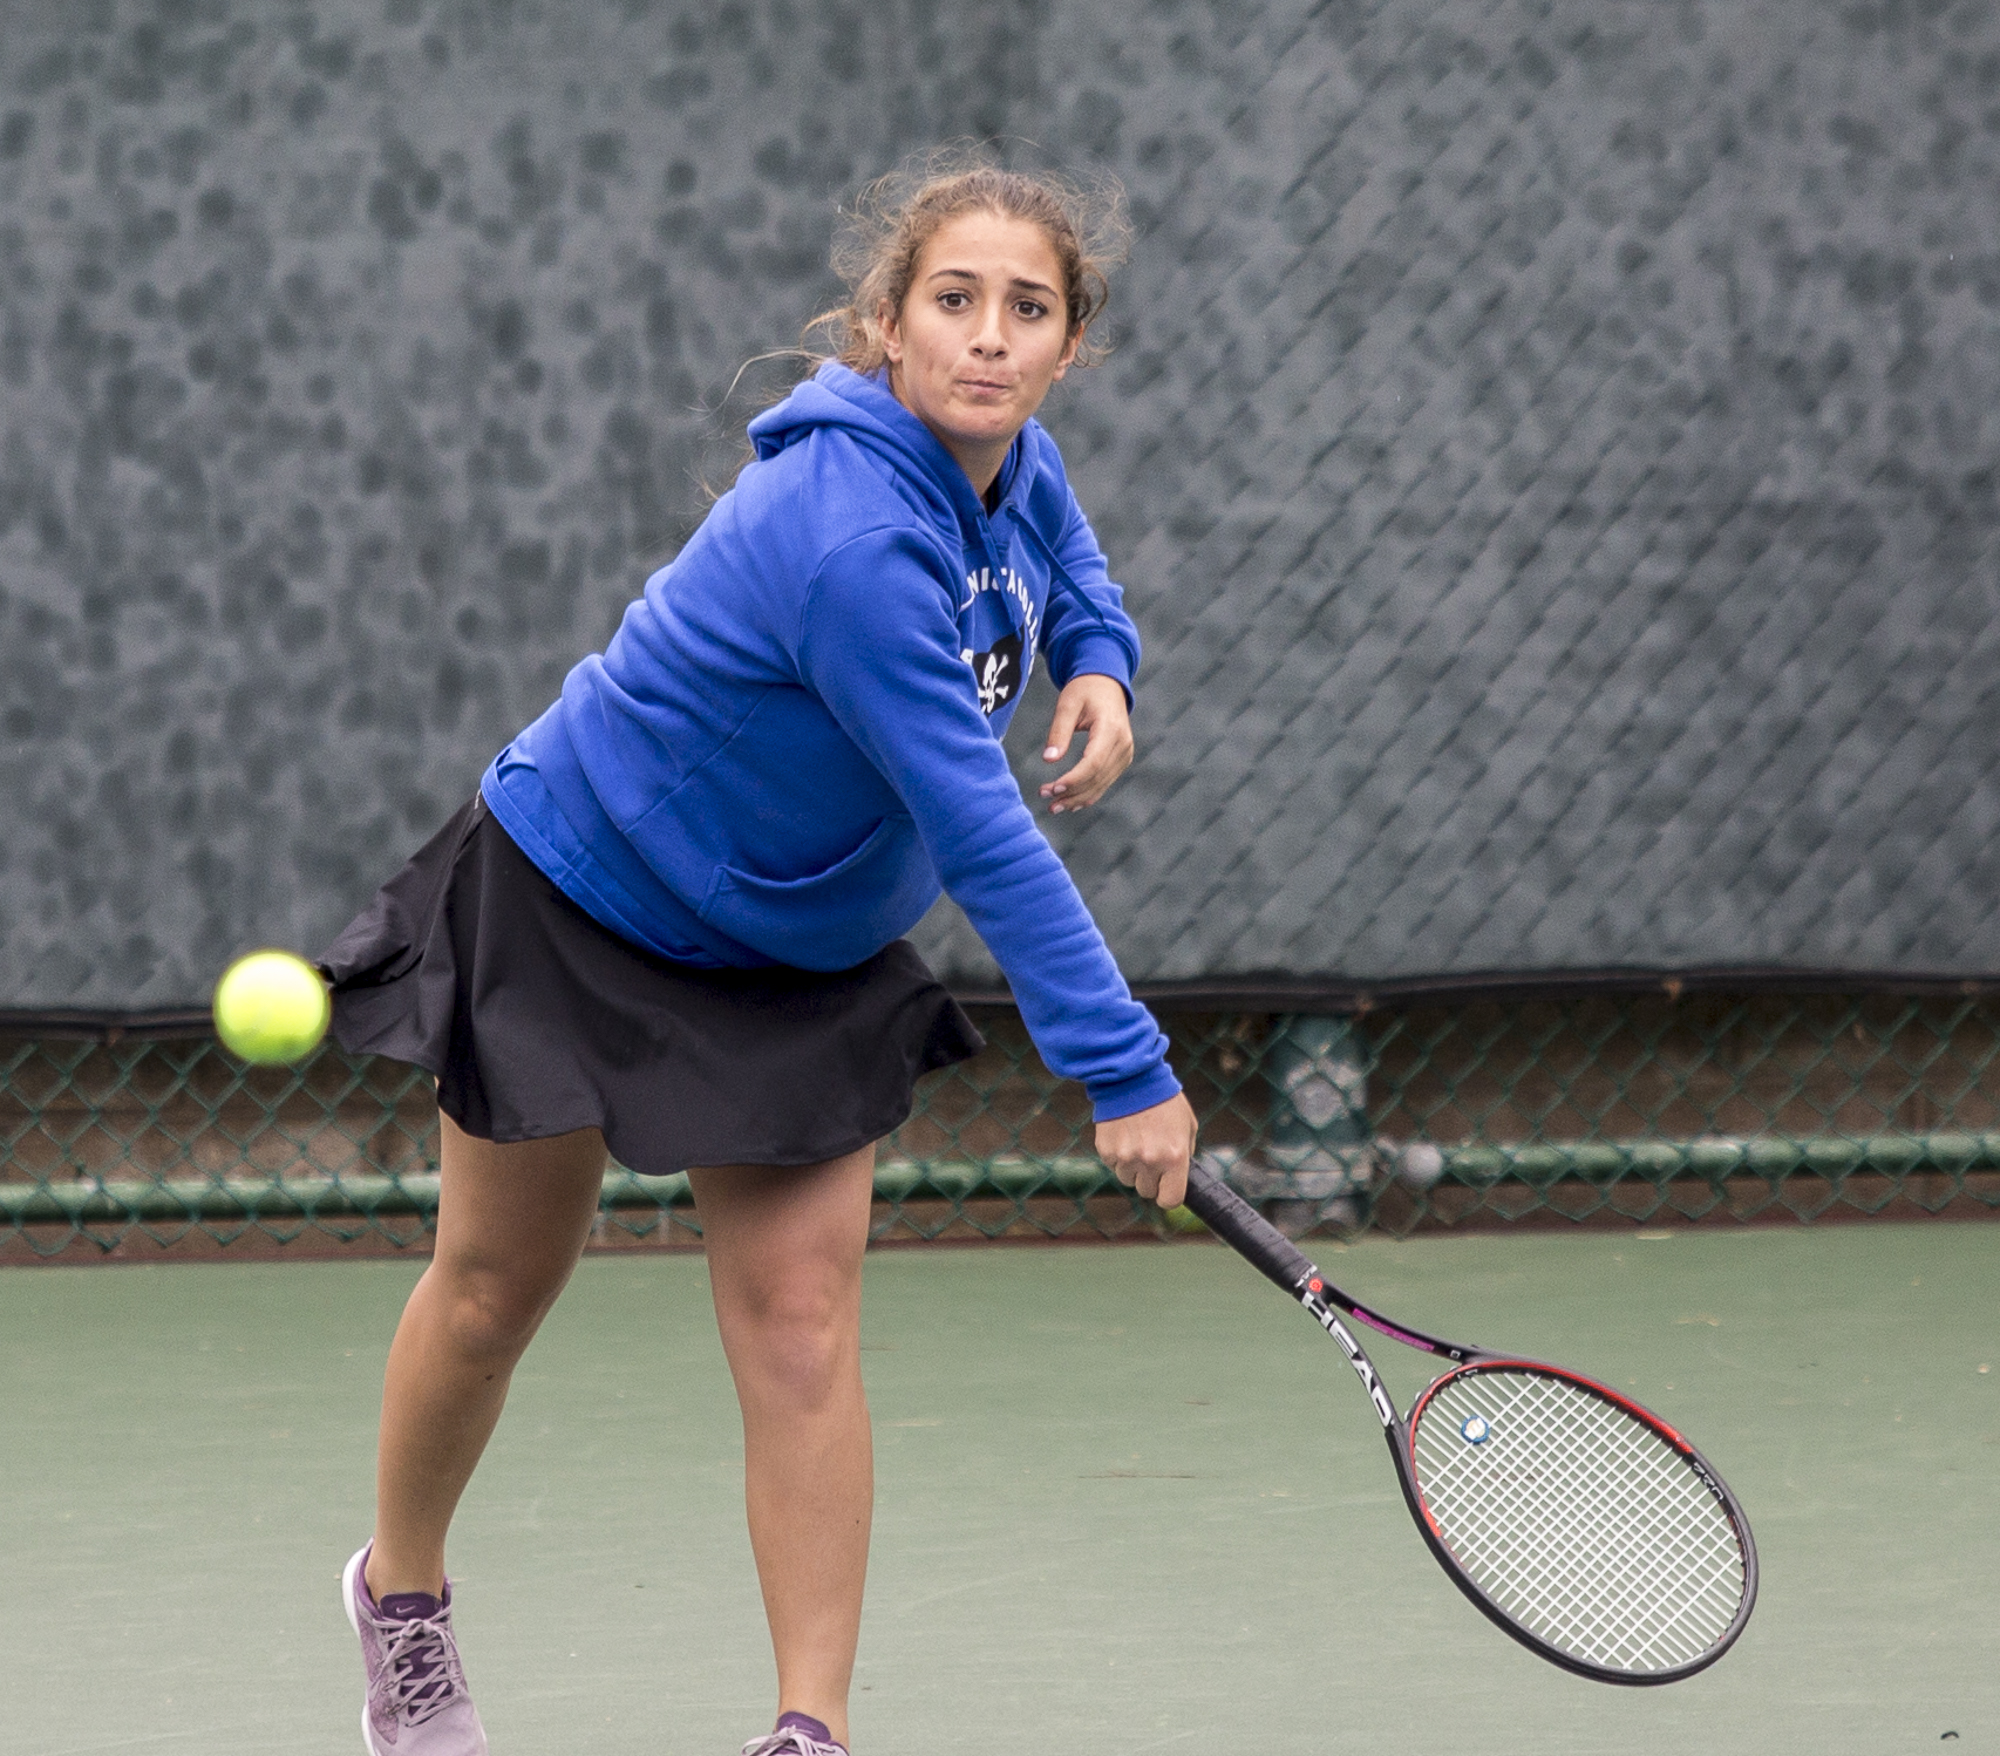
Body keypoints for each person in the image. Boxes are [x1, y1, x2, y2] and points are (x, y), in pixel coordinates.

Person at [319, 156, 1197, 1756]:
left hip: (798, 950)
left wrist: (1100, 659)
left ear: (1069, 349)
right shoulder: (848, 537)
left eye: (1029, 310)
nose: (989, 339)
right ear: (884, 326)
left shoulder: (1013, 459)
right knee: (495, 1289)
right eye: (953, 302)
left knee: (800, 1324)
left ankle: (810, 1729)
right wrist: (1121, 1066)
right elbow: (984, 832)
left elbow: (1064, 552)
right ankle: (404, 1598)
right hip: (585, 892)